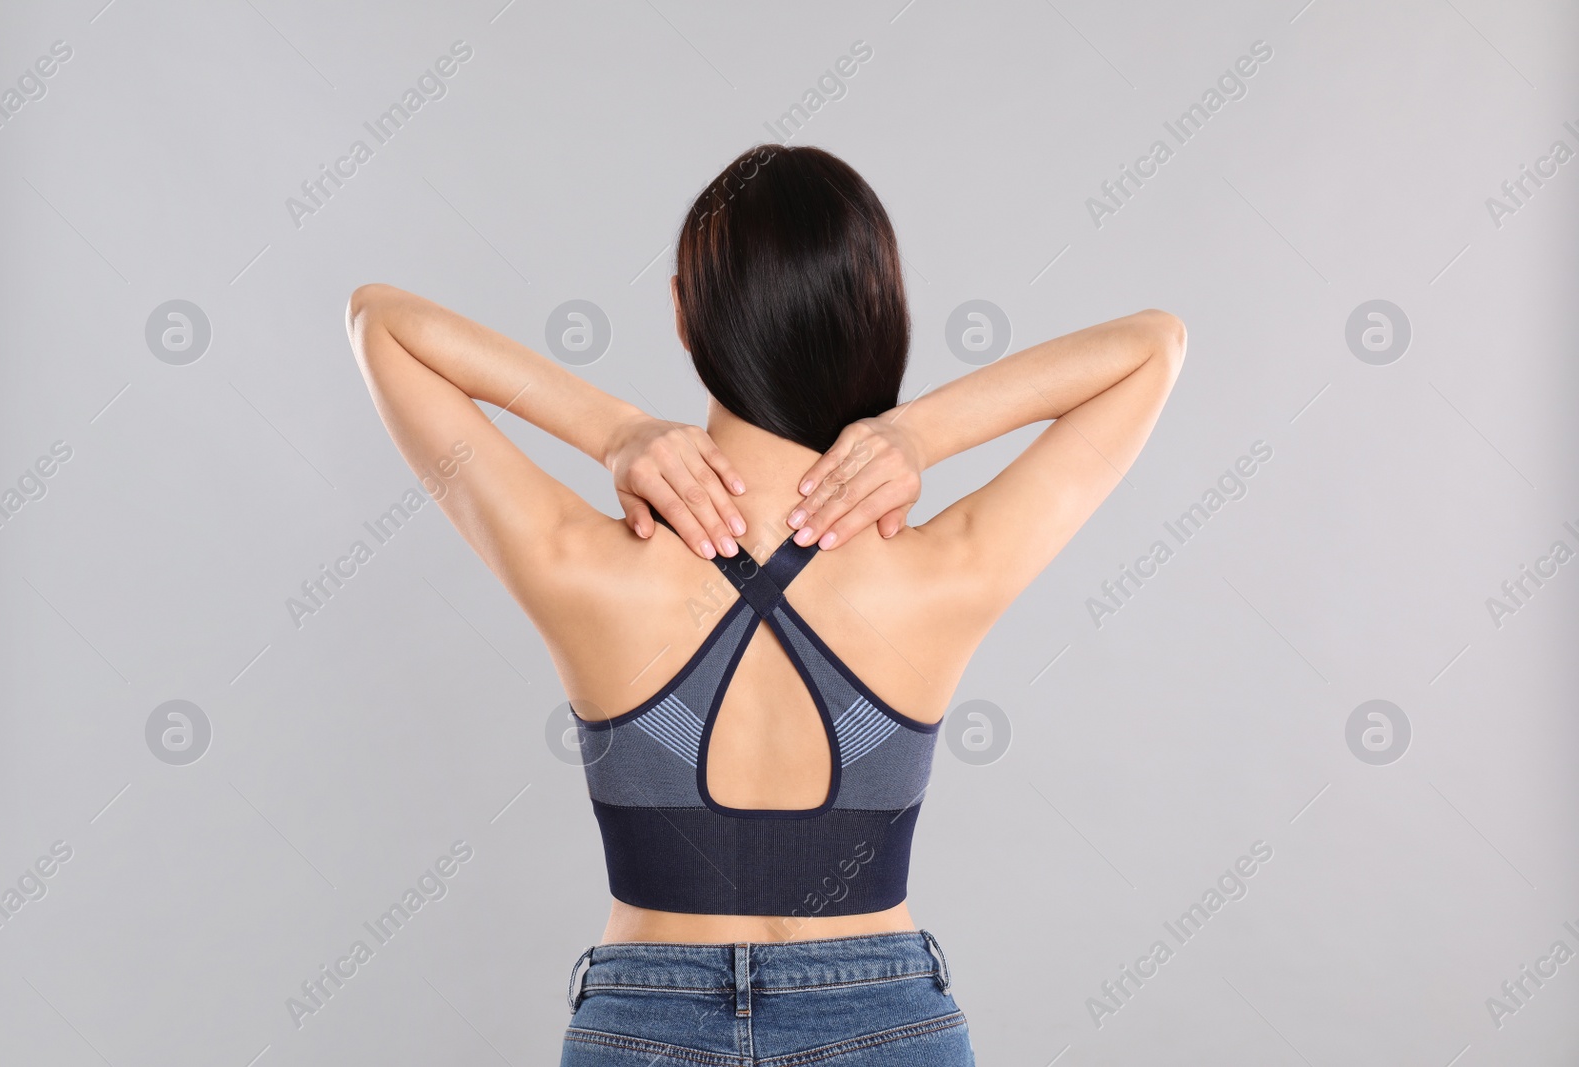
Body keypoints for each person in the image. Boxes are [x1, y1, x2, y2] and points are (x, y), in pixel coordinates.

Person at [346, 143, 1184, 1065]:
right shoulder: (942, 568)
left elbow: (379, 320)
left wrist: (611, 429)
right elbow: (1153, 345)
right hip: (883, 1018)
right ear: (878, 316)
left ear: (681, 310)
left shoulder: (585, 564)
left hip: (644, 1024)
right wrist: (921, 433)